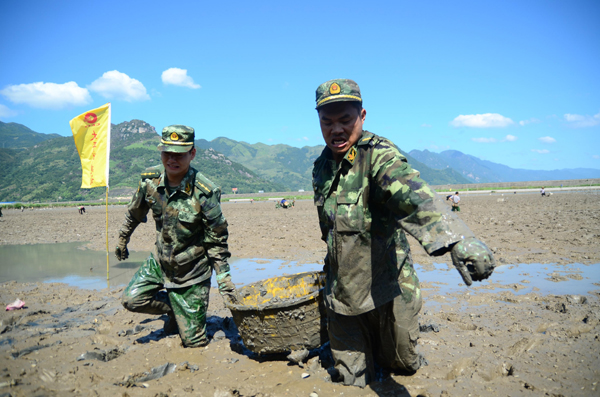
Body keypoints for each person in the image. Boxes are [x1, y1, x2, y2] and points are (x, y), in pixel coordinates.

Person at [312, 79, 495, 387]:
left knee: (403, 365)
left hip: (387, 285)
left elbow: (412, 194)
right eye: (327, 122)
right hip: (343, 290)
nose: (336, 130)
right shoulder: (321, 168)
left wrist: (457, 238)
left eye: (345, 120)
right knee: (350, 379)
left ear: (362, 116)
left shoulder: (378, 156)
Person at [115, 125, 236, 348]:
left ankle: (184, 308)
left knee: (194, 343)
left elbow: (217, 239)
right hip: (161, 262)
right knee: (131, 299)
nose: (172, 159)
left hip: (192, 271)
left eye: (179, 154)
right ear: (160, 152)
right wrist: (123, 239)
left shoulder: (204, 192)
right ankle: (173, 307)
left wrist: (223, 277)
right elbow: (134, 213)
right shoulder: (149, 182)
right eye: (167, 153)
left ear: (192, 153)